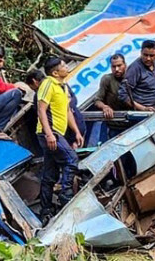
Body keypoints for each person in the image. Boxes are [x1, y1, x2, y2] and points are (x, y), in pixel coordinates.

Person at [36, 57, 84, 221]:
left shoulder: (63, 87)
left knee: (50, 173)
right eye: (63, 65)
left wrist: (76, 131)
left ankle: (46, 209)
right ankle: (66, 196)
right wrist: (49, 133)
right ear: (55, 72)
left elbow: (68, 111)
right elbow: (41, 110)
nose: (66, 66)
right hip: (49, 133)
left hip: (57, 133)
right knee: (71, 158)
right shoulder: (48, 83)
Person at [119, 40, 155, 112]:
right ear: (141, 53)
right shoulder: (135, 69)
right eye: (145, 55)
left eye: (151, 56)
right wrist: (143, 108)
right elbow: (123, 95)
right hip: (144, 113)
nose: (148, 58)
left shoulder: (154, 64)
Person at [95, 54, 127, 134]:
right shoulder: (107, 79)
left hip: (135, 124)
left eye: (119, 66)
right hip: (114, 125)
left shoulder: (133, 77)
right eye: (114, 66)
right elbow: (97, 100)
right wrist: (104, 107)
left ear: (125, 65)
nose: (116, 69)